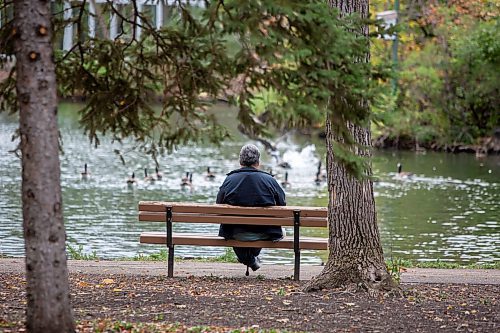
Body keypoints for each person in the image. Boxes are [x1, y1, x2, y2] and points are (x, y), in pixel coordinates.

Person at [216, 144, 286, 275]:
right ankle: (251, 258)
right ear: (258, 162)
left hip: (234, 232)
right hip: (265, 232)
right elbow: (282, 204)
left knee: (236, 227)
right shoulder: (269, 180)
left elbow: (219, 204)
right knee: (264, 226)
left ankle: (248, 259)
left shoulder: (230, 179)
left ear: (240, 161)